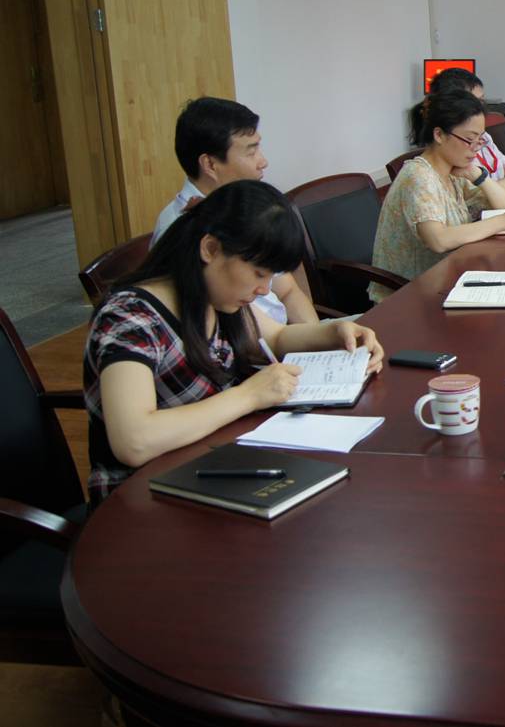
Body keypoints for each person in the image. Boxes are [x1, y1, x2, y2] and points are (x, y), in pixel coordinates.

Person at [84, 180, 385, 503]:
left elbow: (276, 336)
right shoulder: (130, 319)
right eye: (258, 274)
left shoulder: (213, 296)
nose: (265, 289)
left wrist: (335, 333)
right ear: (210, 249)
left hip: (217, 466)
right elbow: (133, 440)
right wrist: (249, 396)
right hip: (145, 497)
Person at [152, 98, 318, 326]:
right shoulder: (182, 230)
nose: (263, 162)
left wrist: (315, 337)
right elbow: (240, 333)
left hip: (290, 337)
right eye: (251, 152)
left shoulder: (248, 209)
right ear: (210, 165)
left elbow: (288, 291)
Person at [372, 87, 505, 300]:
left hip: (448, 282)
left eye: (480, 140)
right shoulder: (418, 176)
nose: (476, 148)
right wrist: (504, 222)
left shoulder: (453, 171)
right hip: (407, 297)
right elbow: (438, 239)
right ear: (439, 135)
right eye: (469, 139)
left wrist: (478, 176)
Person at [427, 67, 505, 198]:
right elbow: (469, 200)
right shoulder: (455, 151)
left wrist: (492, 189)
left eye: (482, 101)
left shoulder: (483, 138)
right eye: (474, 103)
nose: (481, 109)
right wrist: (498, 191)